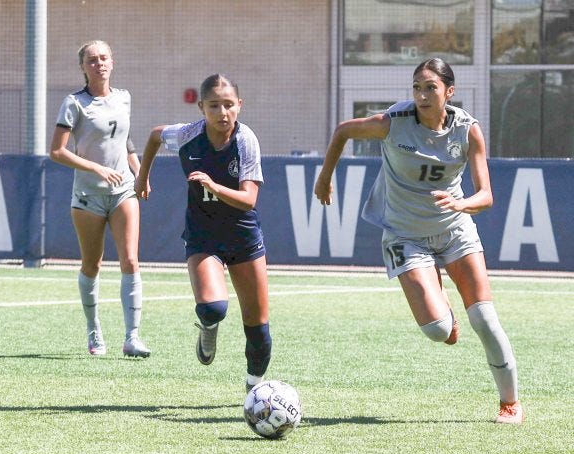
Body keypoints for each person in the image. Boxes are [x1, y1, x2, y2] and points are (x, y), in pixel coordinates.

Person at [314, 58, 523, 424]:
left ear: (449, 92)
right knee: (438, 330)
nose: (422, 95)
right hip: (406, 235)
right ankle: (443, 307)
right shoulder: (393, 123)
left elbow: (486, 195)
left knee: (486, 319)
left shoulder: (467, 130)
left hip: (456, 229)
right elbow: (344, 131)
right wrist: (324, 177)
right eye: (416, 87)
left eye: (431, 87)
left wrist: (461, 204)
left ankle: (510, 404)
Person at [135, 74, 271, 392]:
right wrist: (142, 176)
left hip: (243, 236)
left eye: (228, 105)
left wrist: (213, 186)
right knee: (213, 308)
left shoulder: (246, 141)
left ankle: (255, 391)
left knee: (259, 331)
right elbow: (156, 135)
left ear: (239, 106)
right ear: (201, 108)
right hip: (203, 234)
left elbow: (249, 200)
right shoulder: (187, 136)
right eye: (214, 106)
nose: (222, 113)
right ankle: (208, 327)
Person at [49, 40, 150, 358]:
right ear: (83, 67)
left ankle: (132, 337)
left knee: (130, 260)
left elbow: (126, 141)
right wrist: (96, 168)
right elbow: (57, 151)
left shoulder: (124, 98)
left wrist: (139, 172)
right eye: (92, 60)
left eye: (104, 58)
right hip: (87, 197)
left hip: (123, 192)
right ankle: (94, 333)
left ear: (112, 62)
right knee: (92, 265)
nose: (99, 63)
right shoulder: (74, 103)